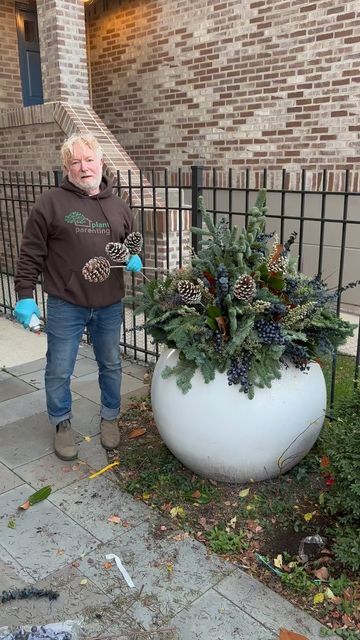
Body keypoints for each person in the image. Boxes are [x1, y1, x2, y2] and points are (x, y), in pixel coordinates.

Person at [14, 133, 142, 461]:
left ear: (101, 162)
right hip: (65, 303)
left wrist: (133, 255)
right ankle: (61, 423)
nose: (83, 167)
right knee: (59, 367)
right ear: (67, 168)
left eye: (88, 159)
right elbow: (30, 252)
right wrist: (25, 295)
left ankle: (110, 418)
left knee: (111, 364)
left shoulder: (119, 206)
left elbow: (132, 241)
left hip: (110, 303)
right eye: (75, 162)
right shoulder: (50, 204)